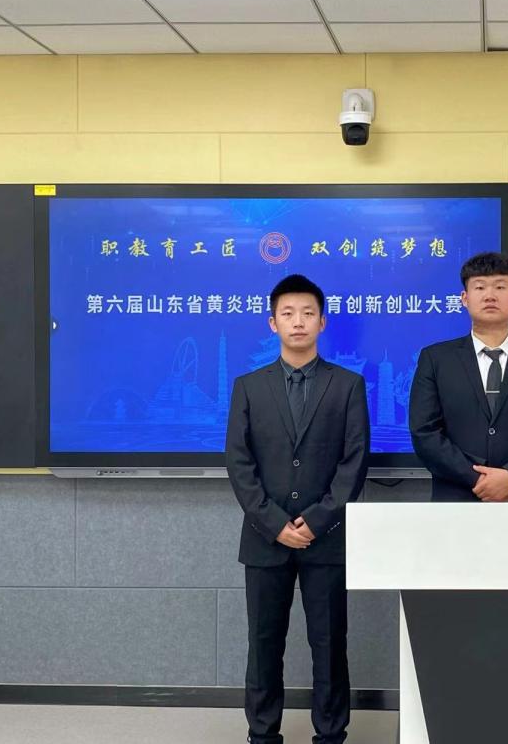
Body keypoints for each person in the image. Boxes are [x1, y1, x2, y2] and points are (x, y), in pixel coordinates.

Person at [226, 274, 369, 744]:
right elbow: (239, 463)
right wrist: (273, 523)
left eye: (308, 313)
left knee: (329, 644)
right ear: (272, 323)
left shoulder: (347, 385)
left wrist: (318, 519)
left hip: (326, 540)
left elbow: (354, 462)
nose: (298, 322)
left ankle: (330, 735)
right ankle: (262, 734)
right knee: (264, 644)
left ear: (323, 322)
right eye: (287, 314)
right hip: (265, 540)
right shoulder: (248, 386)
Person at [409, 251, 508, 502]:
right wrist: (478, 480)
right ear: (464, 298)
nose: (490, 295)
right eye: (479, 287)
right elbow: (425, 433)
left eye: (500, 286)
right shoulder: (435, 359)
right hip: (456, 501)